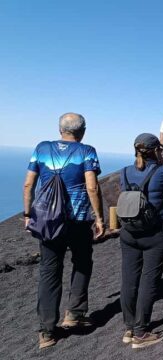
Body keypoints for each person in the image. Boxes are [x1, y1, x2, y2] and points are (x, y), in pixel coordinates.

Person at [22, 113, 105, 349]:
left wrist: (28, 215)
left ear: (60, 129)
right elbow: (92, 186)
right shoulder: (87, 151)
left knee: (49, 270)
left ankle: (46, 332)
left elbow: (29, 183)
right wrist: (99, 218)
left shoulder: (42, 148)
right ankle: (75, 315)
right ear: (83, 130)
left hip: (47, 221)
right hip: (77, 220)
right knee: (81, 263)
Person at [118, 133, 163, 349]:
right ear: (156, 150)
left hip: (128, 233)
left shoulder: (125, 172)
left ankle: (129, 328)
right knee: (149, 280)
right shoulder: (162, 170)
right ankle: (141, 332)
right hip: (156, 233)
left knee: (129, 278)